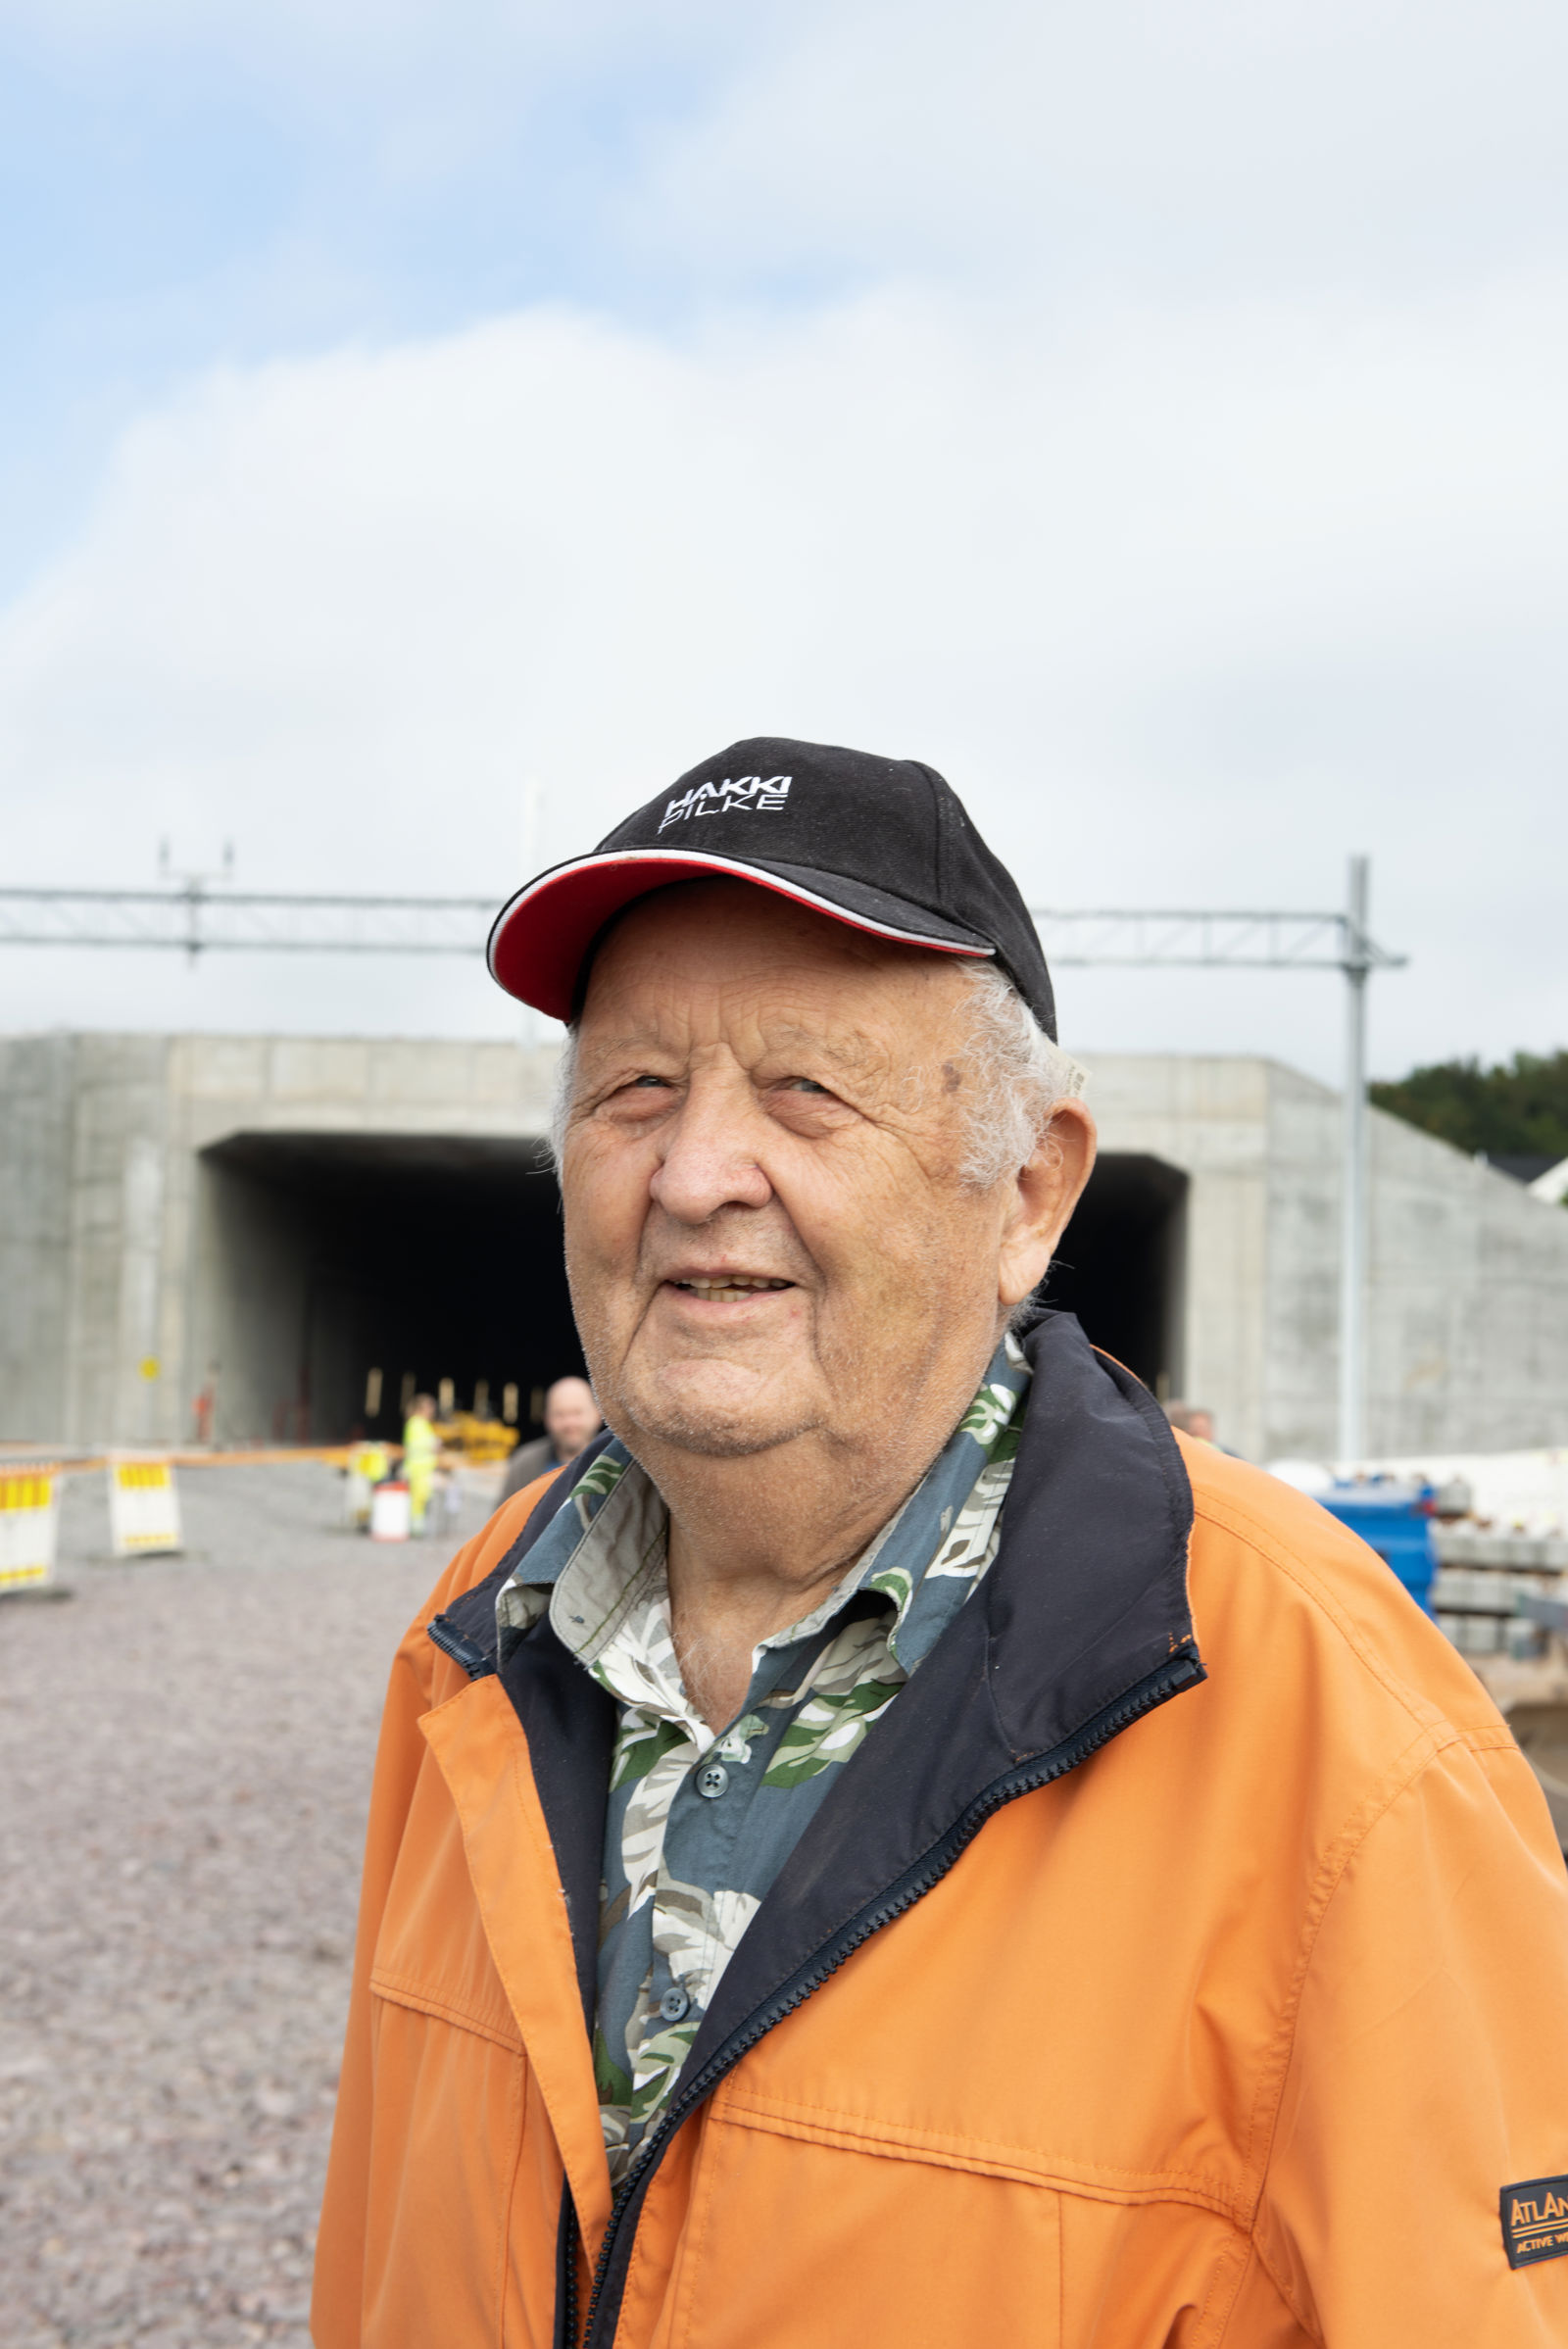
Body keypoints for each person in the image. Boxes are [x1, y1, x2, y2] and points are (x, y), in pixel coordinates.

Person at [314, 737, 1568, 2349]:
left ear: (1029, 1193)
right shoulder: (475, 1632)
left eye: (805, 1090)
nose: (694, 1173)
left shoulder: (1330, 1724)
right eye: (634, 1089)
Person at [498, 1373, 603, 1501]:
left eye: (577, 1413)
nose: (569, 1423)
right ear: (546, 1419)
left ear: (598, 1415)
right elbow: (504, 1517)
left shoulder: (617, 1463)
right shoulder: (524, 1464)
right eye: (560, 1414)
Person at [399, 1392, 440, 1535]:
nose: (432, 1412)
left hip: (424, 1469)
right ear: (422, 1409)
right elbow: (417, 1444)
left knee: (421, 1499)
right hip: (417, 1469)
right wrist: (433, 1444)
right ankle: (415, 1529)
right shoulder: (416, 1423)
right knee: (417, 1500)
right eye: (430, 1409)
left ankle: (418, 1527)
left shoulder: (423, 1424)